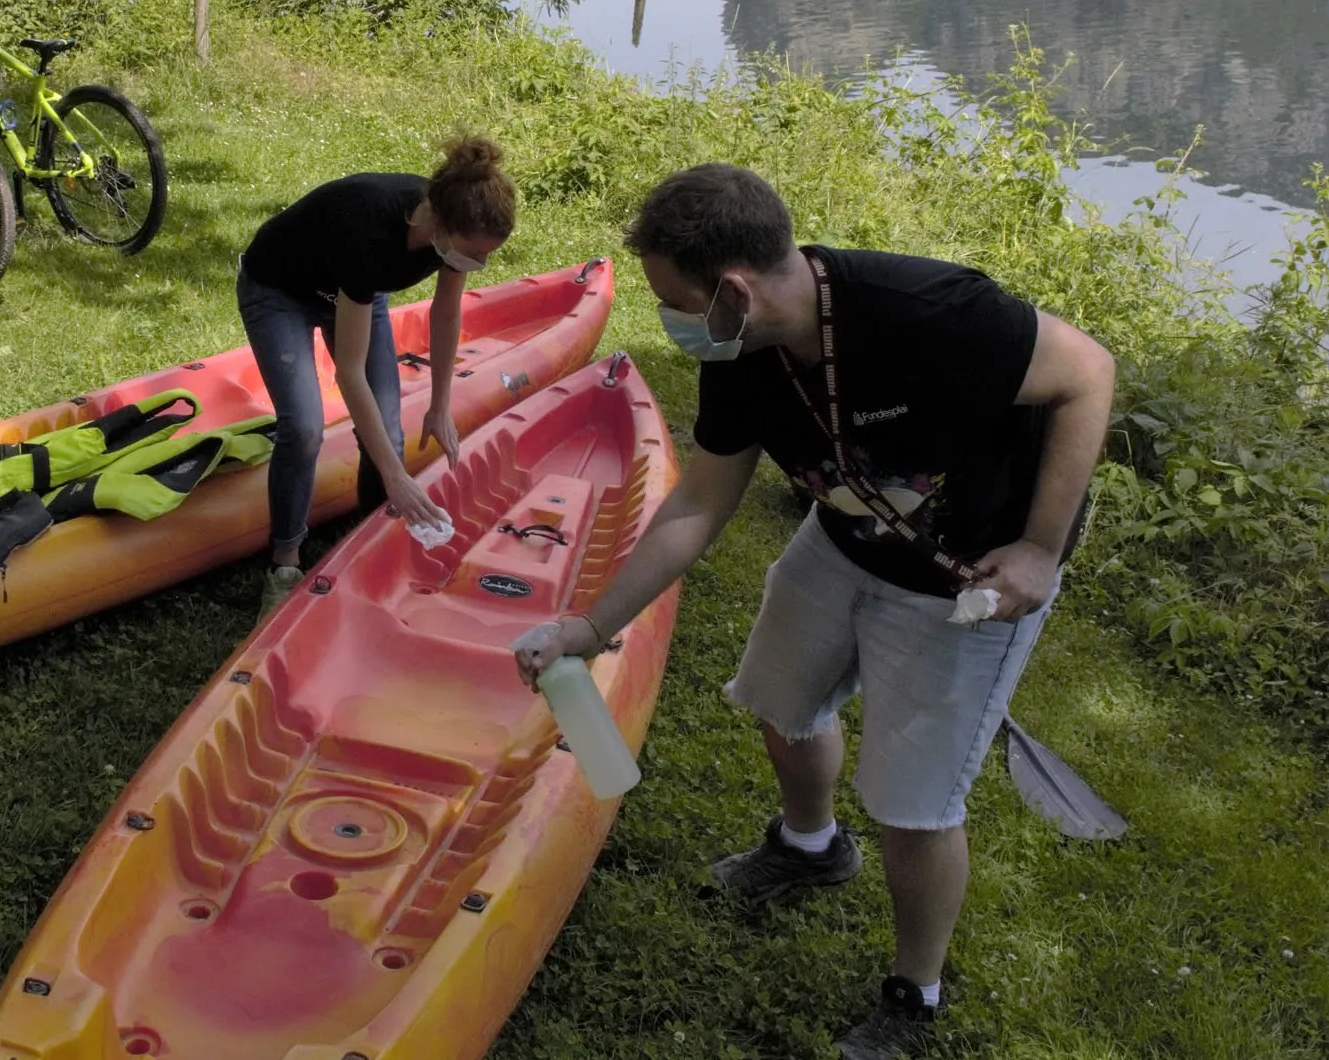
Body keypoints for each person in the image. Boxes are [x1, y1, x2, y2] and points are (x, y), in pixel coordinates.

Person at [511, 163, 1116, 1059]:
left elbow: (1088, 373)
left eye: (674, 299)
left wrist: (1036, 547)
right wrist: (590, 627)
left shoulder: (927, 310)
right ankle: (809, 845)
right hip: (840, 542)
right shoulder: (741, 349)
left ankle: (916, 992)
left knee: (911, 807)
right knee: (781, 705)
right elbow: (695, 505)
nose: (672, 322)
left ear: (732, 289)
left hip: (968, 581)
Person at [237, 135, 517, 617]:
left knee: (388, 429)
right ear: (444, 227)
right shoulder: (368, 228)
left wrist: (439, 405)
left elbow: (446, 315)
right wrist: (397, 475)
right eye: (476, 254)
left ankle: (373, 532)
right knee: (304, 427)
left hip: (356, 291)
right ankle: (283, 563)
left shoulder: (451, 235)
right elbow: (349, 373)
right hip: (279, 290)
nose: (480, 265)